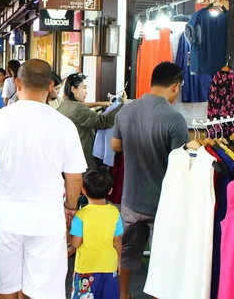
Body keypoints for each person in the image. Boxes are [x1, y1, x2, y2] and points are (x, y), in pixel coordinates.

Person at [0, 59, 86, 299]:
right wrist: (70, 207)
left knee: (5, 286)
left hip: (6, 214)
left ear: (17, 82)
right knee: (42, 289)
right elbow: (74, 176)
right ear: (50, 86)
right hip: (46, 217)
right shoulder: (64, 124)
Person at [111, 61, 189, 299]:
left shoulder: (126, 111)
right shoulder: (174, 119)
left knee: (127, 252)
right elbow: (181, 163)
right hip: (162, 203)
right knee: (162, 256)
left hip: (131, 199)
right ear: (175, 87)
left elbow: (115, 145)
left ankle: (123, 295)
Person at [69, 169, 123, 299]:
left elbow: (76, 243)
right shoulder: (114, 212)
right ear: (110, 190)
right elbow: (117, 240)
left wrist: (66, 230)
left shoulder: (81, 215)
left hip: (86, 268)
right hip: (109, 266)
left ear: (83, 190)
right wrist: (118, 261)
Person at [58, 73, 123, 170]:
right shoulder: (77, 109)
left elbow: (81, 107)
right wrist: (122, 104)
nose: (86, 92)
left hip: (68, 156)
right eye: (84, 88)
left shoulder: (65, 104)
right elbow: (104, 122)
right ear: (73, 89)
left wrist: (98, 103)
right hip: (81, 157)